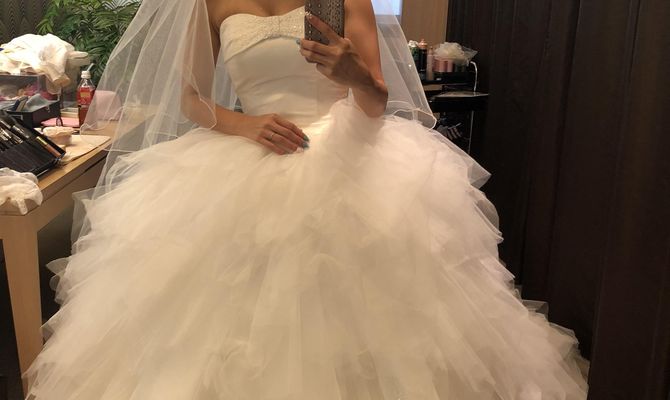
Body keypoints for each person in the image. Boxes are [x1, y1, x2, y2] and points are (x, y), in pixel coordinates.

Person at [23, 0, 589, 398]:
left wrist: (355, 74)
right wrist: (243, 125)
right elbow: (191, 97)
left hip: (350, 158)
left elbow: (376, 101)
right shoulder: (210, 1)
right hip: (243, 156)